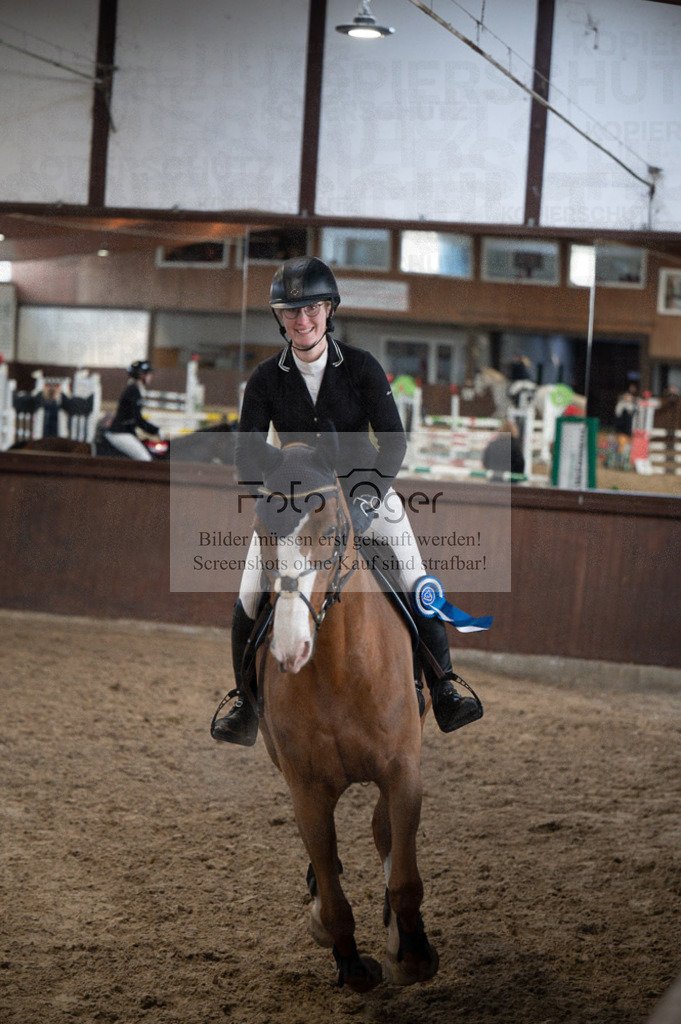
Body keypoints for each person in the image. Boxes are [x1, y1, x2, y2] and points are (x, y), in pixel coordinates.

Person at [212, 255, 481, 747]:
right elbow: (248, 454)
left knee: (415, 577)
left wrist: (366, 501)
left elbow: (394, 443)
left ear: (329, 309)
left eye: (312, 308)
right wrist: (271, 504)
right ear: (280, 317)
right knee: (249, 594)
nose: (302, 319)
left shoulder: (360, 367)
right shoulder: (265, 380)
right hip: (293, 509)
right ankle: (244, 703)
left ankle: (445, 687)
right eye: (291, 311)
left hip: (365, 498)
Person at [105, 360, 161, 460]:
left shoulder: (134, 389)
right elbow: (138, 419)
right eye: (149, 374)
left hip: (125, 432)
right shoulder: (133, 391)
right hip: (120, 433)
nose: (151, 377)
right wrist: (156, 430)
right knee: (145, 459)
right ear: (142, 375)